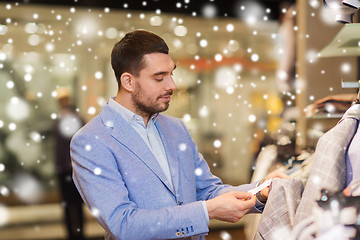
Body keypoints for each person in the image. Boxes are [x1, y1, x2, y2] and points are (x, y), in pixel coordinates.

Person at [70, 30, 287, 240]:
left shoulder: (176, 129)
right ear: (128, 82)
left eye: (171, 74)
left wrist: (260, 190)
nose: (172, 85)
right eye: (159, 78)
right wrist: (206, 211)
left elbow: (207, 189)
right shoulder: (91, 141)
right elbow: (123, 224)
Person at [55, 87, 85, 240]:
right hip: (65, 168)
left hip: (74, 168)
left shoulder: (75, 118)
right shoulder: (59, 119)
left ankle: (79, 235)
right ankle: (72, 235)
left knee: (77, 205)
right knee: (68, 205)